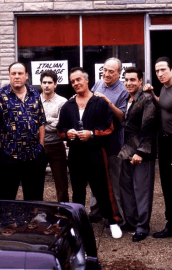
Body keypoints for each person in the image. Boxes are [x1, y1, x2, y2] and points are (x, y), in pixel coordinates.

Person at [57, 67, 122, 239]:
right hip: (76, 153)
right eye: (72, 81)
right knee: (77, 190)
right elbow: (60, 129)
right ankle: (77, 222)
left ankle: (113, 221)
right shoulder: (68, 105)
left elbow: (110, 128)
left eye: (79, 79)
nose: (76, 83)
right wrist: (67, 134)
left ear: (87, 80)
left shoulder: (99, 103)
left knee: (102, 189)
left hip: (96, 152)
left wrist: (92, 134)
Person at [0, 62, 46, 201]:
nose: (17, 76)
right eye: (13, 74)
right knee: (5, 198)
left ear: (26, 76)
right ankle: (6, 222)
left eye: (20, 73)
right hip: (8, 155)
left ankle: (31, 222)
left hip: (33, 155)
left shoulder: (35, 94)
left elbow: (41, 120)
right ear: (9, 76)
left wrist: (41, 145)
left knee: (34, 197)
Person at [118, 67, 157, 242]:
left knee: (141, 190)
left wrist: (141, 151)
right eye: (126, 80)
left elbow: (148, 127)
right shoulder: (127, 98)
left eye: (133, 80)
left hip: (141, 152)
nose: (128, 83)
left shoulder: (146, 98)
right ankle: (131, 221)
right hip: (126, 151)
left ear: (140, 81)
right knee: (126, 188)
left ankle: (142, 226)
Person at [89, 57, 128, 225]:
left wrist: (107, 102)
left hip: (114, 142)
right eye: (104, 70)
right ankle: (95, 211)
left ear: (119, 73)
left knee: (114, 179)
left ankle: (118, 215)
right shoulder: (98, 84)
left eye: (111, 71)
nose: (106, 74)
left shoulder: (124, 90)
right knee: (95, 175)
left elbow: (122, 117)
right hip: (96, 139)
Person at [143, 57, 172, 238]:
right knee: (168, 186)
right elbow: (165, 106)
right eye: (157, 71)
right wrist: (153, 94)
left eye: (163, 70)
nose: (160, 74)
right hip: (164, 142)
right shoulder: (164, 89)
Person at [40, 70, 69, 202]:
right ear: (40, 84)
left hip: (57, 146)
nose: (47, 85)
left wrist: (43, 123)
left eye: (50, 82)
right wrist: (52, 120)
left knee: (61, 181)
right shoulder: (34, 101)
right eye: (44, 82)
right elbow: (32, 125)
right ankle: (37, 211)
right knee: (36, 181)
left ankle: (64, 213)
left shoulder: (62, 102)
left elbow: (61, 124)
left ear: (55, 84)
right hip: (38, 146)